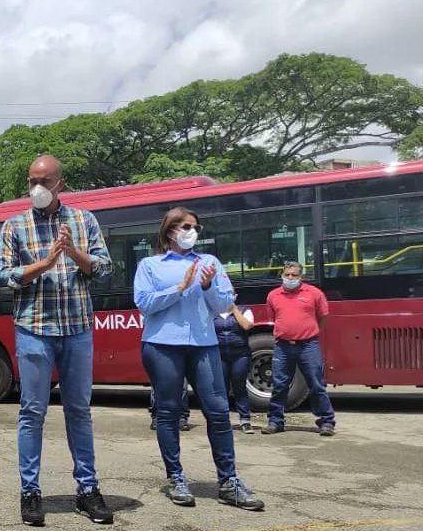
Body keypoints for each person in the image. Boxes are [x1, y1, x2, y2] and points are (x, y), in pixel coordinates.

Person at [0, 155, 114, 527]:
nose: (37, 189)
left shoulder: (84, 221)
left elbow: (105, 269)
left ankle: (87, 489)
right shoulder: (15, 226)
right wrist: (41, 266)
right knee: (33, 412)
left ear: (61, 183)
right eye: (32, 181)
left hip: (76, 329)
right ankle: (30, 492)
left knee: (79, 411)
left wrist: (74, 252)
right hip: (34, 330)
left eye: (44, 181)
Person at [133, 207, 264, 511]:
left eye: (195, 227)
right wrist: (179, 288)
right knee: (168, 411)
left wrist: (205, 287)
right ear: (170, 232)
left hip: (204, 343)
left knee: (218, 410)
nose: (191, 231)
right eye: (185, 226)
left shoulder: (209, 262)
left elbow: (224, 304)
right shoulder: (150, 265)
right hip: (162, 344)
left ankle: (229, 481)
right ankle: (176, 477)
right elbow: (144, 304)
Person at [262, 262, 338, 436]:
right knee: (279, 385)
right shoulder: (273, 295)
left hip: (308, 346)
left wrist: (310, 332)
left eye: (294, 275)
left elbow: (323, 317)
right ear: (282, 275)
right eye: (287, 274)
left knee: (316, 384)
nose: (290, 278)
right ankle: (275, 421)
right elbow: (273, 317)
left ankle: (326, 421)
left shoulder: (314, 294)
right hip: (283, 346)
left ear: (301, 276)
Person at [215, 302, 255, 433]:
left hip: (240, 355)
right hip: (219, 356)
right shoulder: (212, 312)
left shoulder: (245, 310)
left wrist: (234, 310)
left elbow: (247, 325)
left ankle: (245, 420)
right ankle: (223, 421)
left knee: (239, 387)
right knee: (221, 389)